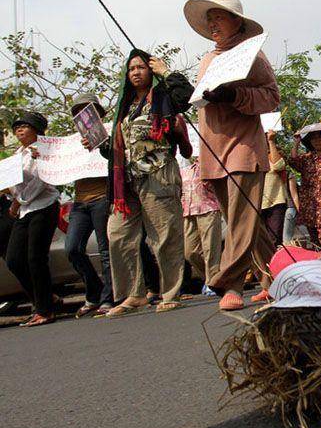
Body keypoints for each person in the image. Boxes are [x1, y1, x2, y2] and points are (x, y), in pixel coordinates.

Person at [183, 0, 280, 310]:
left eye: (220, 17)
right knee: (246, 223)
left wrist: (235, 94)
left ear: (238, 22)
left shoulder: (252, 54)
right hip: (213, 151)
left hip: (243, 147)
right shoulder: (207, 60)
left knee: (240, 221)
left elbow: (271, 97)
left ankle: (230, 284)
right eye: (210, 19)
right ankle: (280, 277)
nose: (213, 23)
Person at [100, 50, 192, 316]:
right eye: (131, 69)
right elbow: (118, 149)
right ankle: (134, 294)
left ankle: (171, 292)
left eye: (141, 67)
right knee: (117, 235)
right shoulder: (124, 106)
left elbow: (186, 98)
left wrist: (167, 72)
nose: (136, 72)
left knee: (164, 235)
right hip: (127, 181)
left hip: (159, 173)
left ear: (151, 70)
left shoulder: (162, 96)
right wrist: (98, 144)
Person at [6, 112, 59, 326]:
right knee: (14, 259)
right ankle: (45, 299)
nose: (19, 130)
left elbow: (41, 181)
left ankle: (44, 310)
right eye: (16, 127)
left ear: (36, 129)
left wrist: (19, 200)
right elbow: (14, 184)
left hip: (44, 206)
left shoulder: (44, 151)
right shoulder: (17, 155)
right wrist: (11, 193)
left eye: (24, 126)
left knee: (36, 258)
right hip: (25, 210)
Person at [66, 93, 114, 317]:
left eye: (87, 109)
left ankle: (107, 298)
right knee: (72, 248)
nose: (82, 115)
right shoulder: (70, 142)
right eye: (78, 111)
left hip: (102, 198)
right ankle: (94, 290)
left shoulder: (109, 131)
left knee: (106, 250)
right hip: (79, 203)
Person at [180, 157, 222, 296]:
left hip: (208, 207)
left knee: (210, 248)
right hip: (187, 210)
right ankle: (212, 278)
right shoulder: (182, 165)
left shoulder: (207, 160)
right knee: (189, 251)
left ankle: (213, 282)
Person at [261, 130, 288, 249]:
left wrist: (271, 141)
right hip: (257, 204)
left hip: (276, 202)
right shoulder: (252, 155)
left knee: (274, 238)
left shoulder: (275, 154)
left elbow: (278, 166)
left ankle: (274, 266)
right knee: (260, 239)